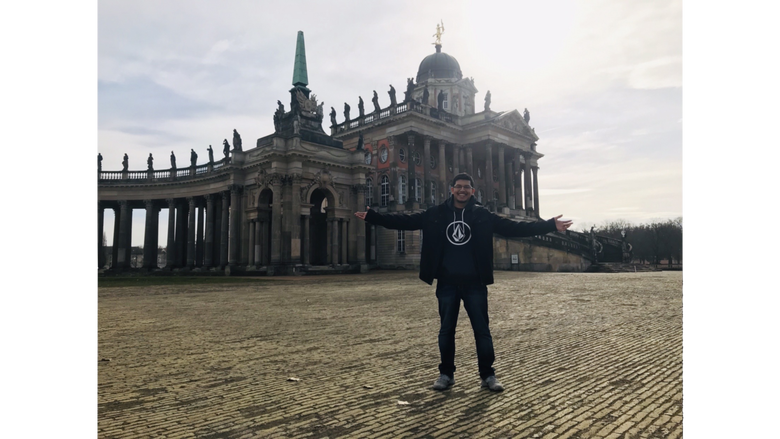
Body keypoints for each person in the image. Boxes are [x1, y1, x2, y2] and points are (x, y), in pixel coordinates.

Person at [354, 173, 572, 392]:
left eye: (466, 187)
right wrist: (374, 217)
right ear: (451, 189)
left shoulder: (483, 215)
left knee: (482, 330)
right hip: (447, 282)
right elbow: (405, 221)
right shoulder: (437, 214)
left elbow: (515, 228)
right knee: (446, 330)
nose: (462, 190)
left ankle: (488, 375)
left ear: (472, 191)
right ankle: (446, 374)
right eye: (458, 187)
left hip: (475, 283)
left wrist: (550, 225)